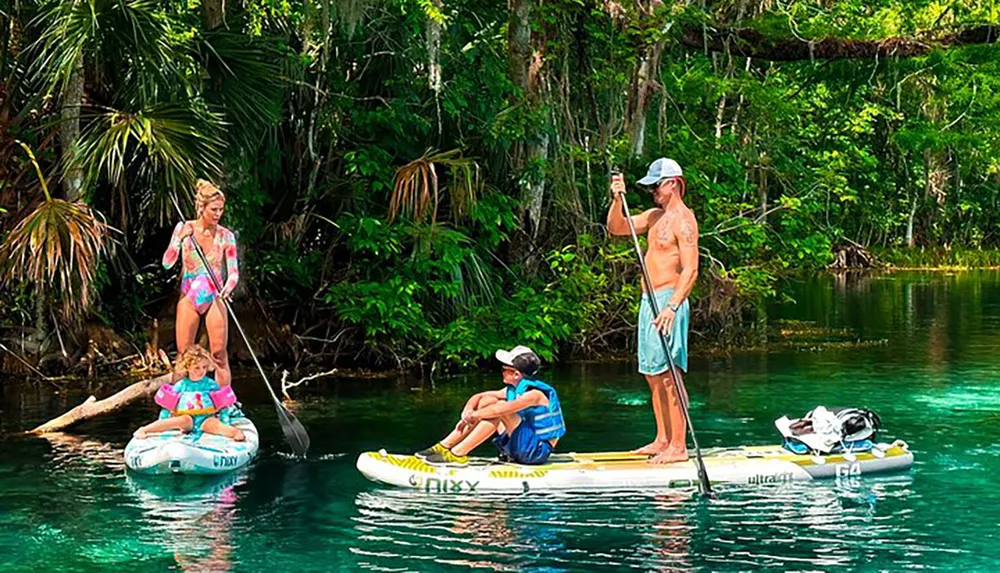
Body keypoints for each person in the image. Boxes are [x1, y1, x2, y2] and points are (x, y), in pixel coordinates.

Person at [606, 158, 699, 464]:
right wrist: (616, 197)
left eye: (656, 186)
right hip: (649, 301)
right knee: (652, 375)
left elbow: (691, 270)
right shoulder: (654, 217)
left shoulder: (684, 221)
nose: (653, 192)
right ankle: (662, 439)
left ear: (673, 183)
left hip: (669, 300)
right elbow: (616, 228)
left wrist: (673, 307)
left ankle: (679, 446)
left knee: (669, 375)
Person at [416, 346, 565, 465]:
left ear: (516, 374)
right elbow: (479, 396)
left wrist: (474, 416)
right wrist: (467, 411)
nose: (501, 372)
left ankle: (458, 454)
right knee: (487, 401)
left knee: (497, 408)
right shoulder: (512, 389)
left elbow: (500, 410)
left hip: (536, 452)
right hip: (520, 446)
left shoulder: (534, 395)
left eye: (504, 369)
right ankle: (444, 446)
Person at [163, 179, 239, 386]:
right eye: (214, 209)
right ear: (201, 207)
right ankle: (179, 401)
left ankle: (225, 403)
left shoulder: (226, 236)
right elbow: (167, 263)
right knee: (184, 355)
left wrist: (228, 287)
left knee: (219, 354)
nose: (218, 214)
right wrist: (180, 239)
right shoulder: (184, 228)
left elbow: (233, 272)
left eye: (221, 210)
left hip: (215, 296)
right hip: (189, 298)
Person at [134, 345, 245, 441]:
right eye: (197, 368)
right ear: (187, 367)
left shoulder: (211, 385)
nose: (201, 371)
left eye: (204, 367)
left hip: (205, 418)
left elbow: (223, 406)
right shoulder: (181, 386)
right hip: (187, 419)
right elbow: (167, 406)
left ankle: (235, 433)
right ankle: (145, 429)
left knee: (214, 424)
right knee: (182, 420)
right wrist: (163, 421)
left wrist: (225, 421)